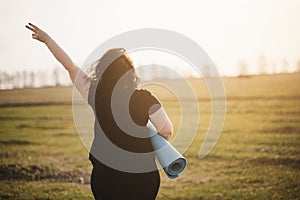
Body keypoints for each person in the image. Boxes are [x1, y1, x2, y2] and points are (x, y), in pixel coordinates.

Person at [26, 23, 174, 200]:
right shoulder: (145, 98)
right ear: (130, 71)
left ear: (103, 70)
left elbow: (71, 67)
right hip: (142, 176)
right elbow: (166, 130)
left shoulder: (96, 94)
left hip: (105, 176)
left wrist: (48, 40)